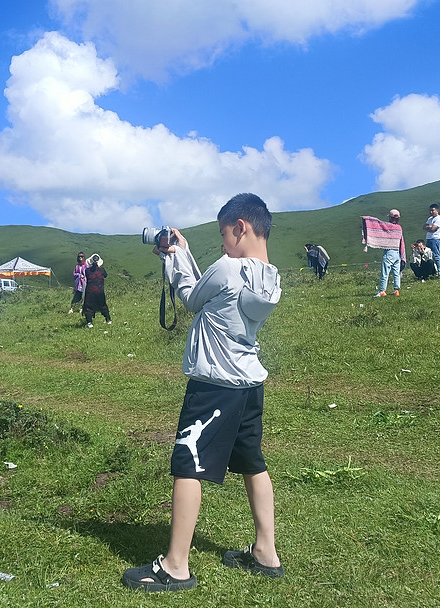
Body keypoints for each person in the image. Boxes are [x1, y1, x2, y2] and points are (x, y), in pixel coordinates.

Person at [122, 193, 283, 593]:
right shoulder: (272, 276)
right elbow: (209, 293)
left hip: (214, 385)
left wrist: (175, 256)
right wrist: (187, 254)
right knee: (251, 462)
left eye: (224, 233)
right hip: (249, 383)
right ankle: (266, 552)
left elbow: (193, 297)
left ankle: (176, 565)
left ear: (240, 227)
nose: (223, 243)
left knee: (187, 464)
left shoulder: (228, 268)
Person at [361, 209, 406, 297]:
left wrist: (366, 219)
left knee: (385, 272)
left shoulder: (387, 226)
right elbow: (402, 242)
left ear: (390, 217)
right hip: (397, 253)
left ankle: (382, 291)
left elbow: (378, 223)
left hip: (389, 252)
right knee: (396, 272)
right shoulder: (399, 228)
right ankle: (396, 290)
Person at [81, 254, 111, 327]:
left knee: (88, 306)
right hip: (100, 291)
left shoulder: (87, 271)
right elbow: (106, 275)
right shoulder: (102, 270)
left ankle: (89, 323)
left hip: (90, 291)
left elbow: (87, 275)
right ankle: (108, 320)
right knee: (103, 304)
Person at [423, 203, 440, 276]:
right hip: (429, 238)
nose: (431, 212)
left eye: (433, 210)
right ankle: (431, 271)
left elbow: (433, 229)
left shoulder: (439, 219)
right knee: (429, 255)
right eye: (430, 210)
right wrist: (429, 227)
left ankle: (438, 271)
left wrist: (429, 227)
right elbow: (424, 226)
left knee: (436, 255)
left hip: (435, 238)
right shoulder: (430, 219)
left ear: (437, 210)